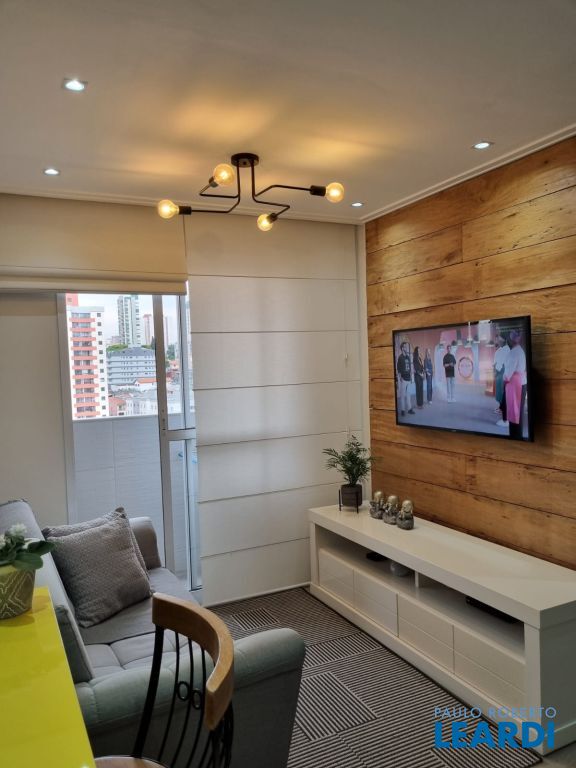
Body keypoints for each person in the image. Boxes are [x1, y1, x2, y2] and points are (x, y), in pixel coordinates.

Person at [503, 329, 527, 439]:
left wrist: (504, 379)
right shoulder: (520, 350)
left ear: (511, 339)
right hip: (521, 382)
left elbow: (508, 372)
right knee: (519, 413)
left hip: (515, 385)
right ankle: (517, 435)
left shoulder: (513, 352)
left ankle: (515, 437)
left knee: (514, 411)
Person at [493, 334, 510, 426]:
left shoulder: (506, 349)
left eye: (499, 339)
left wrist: (496, 370)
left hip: (502, 372)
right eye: (497, 339)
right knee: (499, 392)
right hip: (498, 372)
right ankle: (501, 408)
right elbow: (496, 361)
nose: (498, 340)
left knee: (502, 393)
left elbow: (502, 363)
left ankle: (503, 411)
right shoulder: (501, 349)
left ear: (504, 339)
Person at [396, 341, 414, 416]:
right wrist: (400, 377)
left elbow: (409, 368)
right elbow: (398, 369)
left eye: (406, 346)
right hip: (403, 379)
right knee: (402, 395)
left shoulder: (408, 357)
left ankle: (409, 409)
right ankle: (403, 410)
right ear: (402, 348)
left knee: (408, 394)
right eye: (405, 347)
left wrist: (411, 377)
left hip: (408, 378)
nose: (406, 348)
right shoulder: (400, 357)